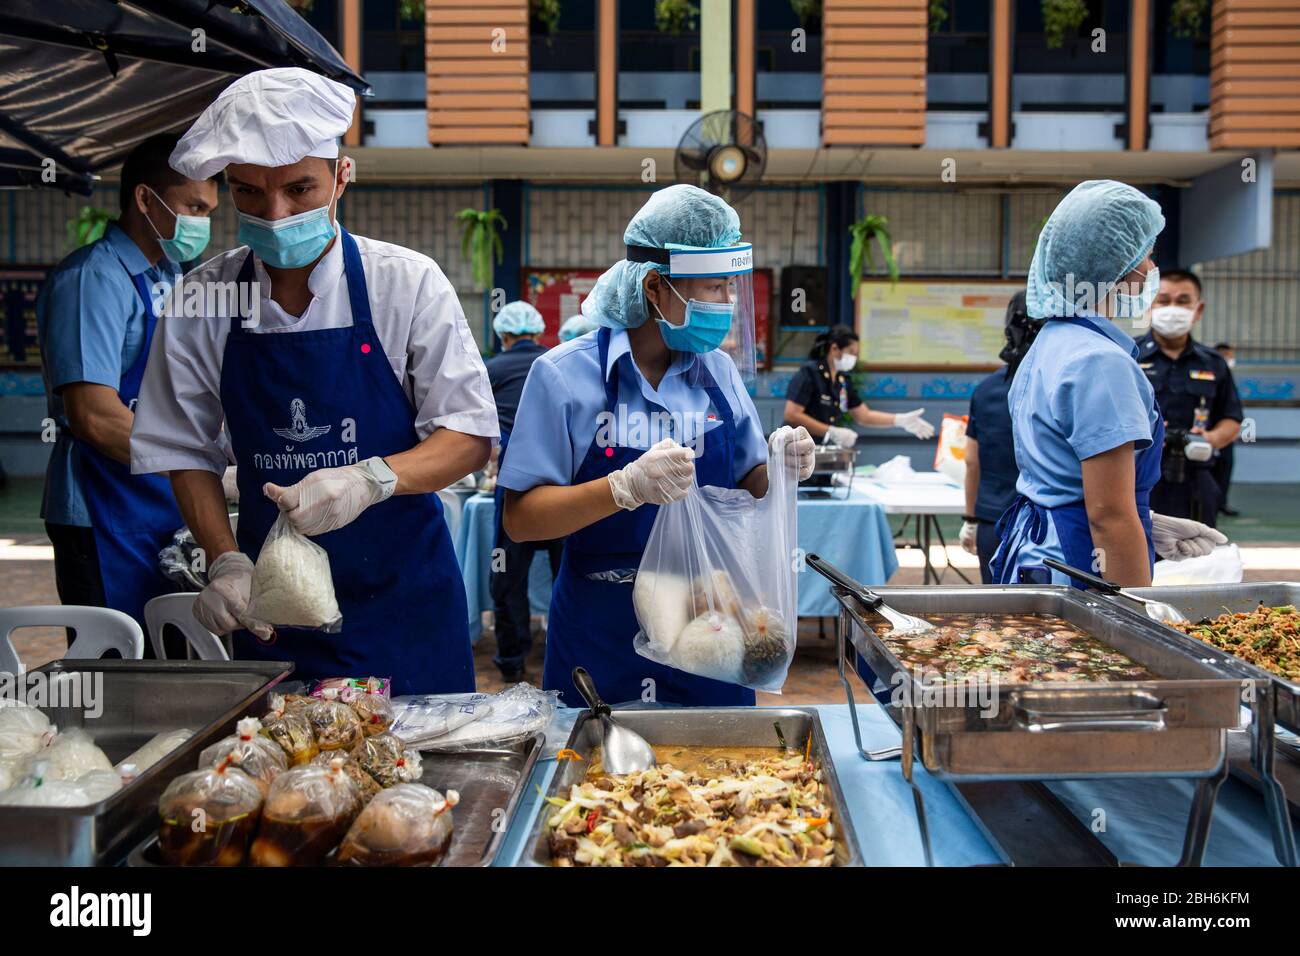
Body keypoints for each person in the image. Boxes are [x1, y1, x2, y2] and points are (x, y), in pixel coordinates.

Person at [130, 69, 498, 695]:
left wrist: (372, 479)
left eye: (299, 189)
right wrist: (225, 561)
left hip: (402, 604)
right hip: (273, 609)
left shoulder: (404, 284)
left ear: (341, 177)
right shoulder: (202, 299)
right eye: (249, 193)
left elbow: (467, 434)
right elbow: (184, 450)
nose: (275, 215)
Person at [498, 184, 816, 707]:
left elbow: (751, 483)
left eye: (728, 289)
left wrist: (783, 461)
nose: (727, 304)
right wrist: (623, 487)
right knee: (598, 776)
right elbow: (522, 519)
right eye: (713, 289)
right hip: (603, 630)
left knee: (723, 781)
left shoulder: (717, 373)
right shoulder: (562, 377)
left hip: (713, 624)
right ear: (654, 286)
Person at [990, 180, 1226, 588]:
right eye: (1147, 256)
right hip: (1080, 566)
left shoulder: (1051, 343)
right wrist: (1136, 618)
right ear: (1116, 267)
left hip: (1041, 554)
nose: (1152, 269)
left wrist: (1145, 521)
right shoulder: (1100, 363)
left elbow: (1064, 478)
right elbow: (1108, 516)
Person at [36, 133, 221, 634]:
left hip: (156, 499)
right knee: (118, 663)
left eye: (208, 212)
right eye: (193, 207)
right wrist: (198, 468)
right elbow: (94, 417)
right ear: (145, 198)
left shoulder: (169, 275)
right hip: (101, 510)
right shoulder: (92, 280)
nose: (200, 224)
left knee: (170, 656)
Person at [484, 300, 562, 681]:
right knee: (569, 574)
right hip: (564, 489)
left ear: (504, 335)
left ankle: (513, 663)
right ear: (537, 331)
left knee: (507, 578)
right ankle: (565, 652)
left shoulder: (492, 369)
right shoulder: (557, 364)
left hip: (514, 488)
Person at [1137, 270, 1242, 528]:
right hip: (1139, 477)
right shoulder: (1128, 356)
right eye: (1163, 300)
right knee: (1142, 558)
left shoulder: (1214, 363)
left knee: (1199, 559)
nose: (1173, 308)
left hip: (1196, 478)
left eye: (1183, 301)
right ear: (1150, 304)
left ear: (1198, 309)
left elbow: (1232, 418)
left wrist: (1210, 439)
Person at [959, 292, 1040, 582]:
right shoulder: (1065, 384)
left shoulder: (987, 389)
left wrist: (971, 519)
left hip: (994, 521)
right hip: (1050, 526)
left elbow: (971, 461)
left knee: (998, 613)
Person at [783, 325, 934, 447]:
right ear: (834, 348)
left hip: (820, 452)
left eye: (856, 354)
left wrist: (899, 420)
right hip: (795, 450)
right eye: (851, 352)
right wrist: (831, 431)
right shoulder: (810, 372)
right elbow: (792, 415)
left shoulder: (843, 380)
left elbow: (864, 416)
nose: (854, 357)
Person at [1212, 341, 1239, 516]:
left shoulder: (1228, 378)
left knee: (1225, 469)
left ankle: (1221, 503)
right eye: (1227, 355)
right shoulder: (1209, 373)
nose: (1230, 359)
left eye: (1231, 356)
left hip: (1224, 435)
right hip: (1204, 434)